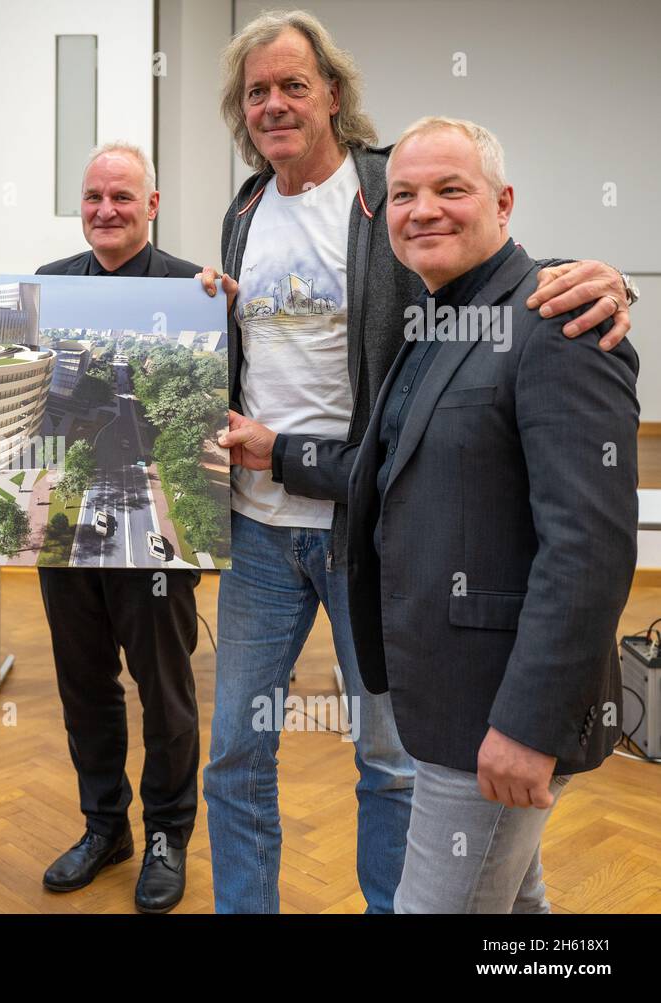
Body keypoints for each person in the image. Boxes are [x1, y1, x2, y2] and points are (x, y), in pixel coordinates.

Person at [200, 9, 638, 914]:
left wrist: (606, 276)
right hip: (263, 522)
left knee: (395, 761)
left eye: (294, 84)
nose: (275, 104)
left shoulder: (384, 188)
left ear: (333, 95)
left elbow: (489, 268)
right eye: (257, 92)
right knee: (239, 751)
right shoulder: (243, 210)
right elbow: (462, 281)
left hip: (381, 532)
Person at [350, 117, 636, 911]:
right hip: (445, 701)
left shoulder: (559, 319)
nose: (423, 209)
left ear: (503, 203)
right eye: (404, 194)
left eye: (451, 189)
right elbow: (390, 469)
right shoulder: (436, 319)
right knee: (514, 908)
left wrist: (528, 726)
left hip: (494, 713)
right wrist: (274, 449)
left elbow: (589, 551)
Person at [35, 143, 206, 914]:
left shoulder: (194, 288)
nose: (107, 209)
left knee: (164, 692)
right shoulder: (45, 286)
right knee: (84, 686)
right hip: (68, 522)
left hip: (153, 525)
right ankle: (105, 826)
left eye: (122, 197)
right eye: (94, 195)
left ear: (153, 204)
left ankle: (167, 833)